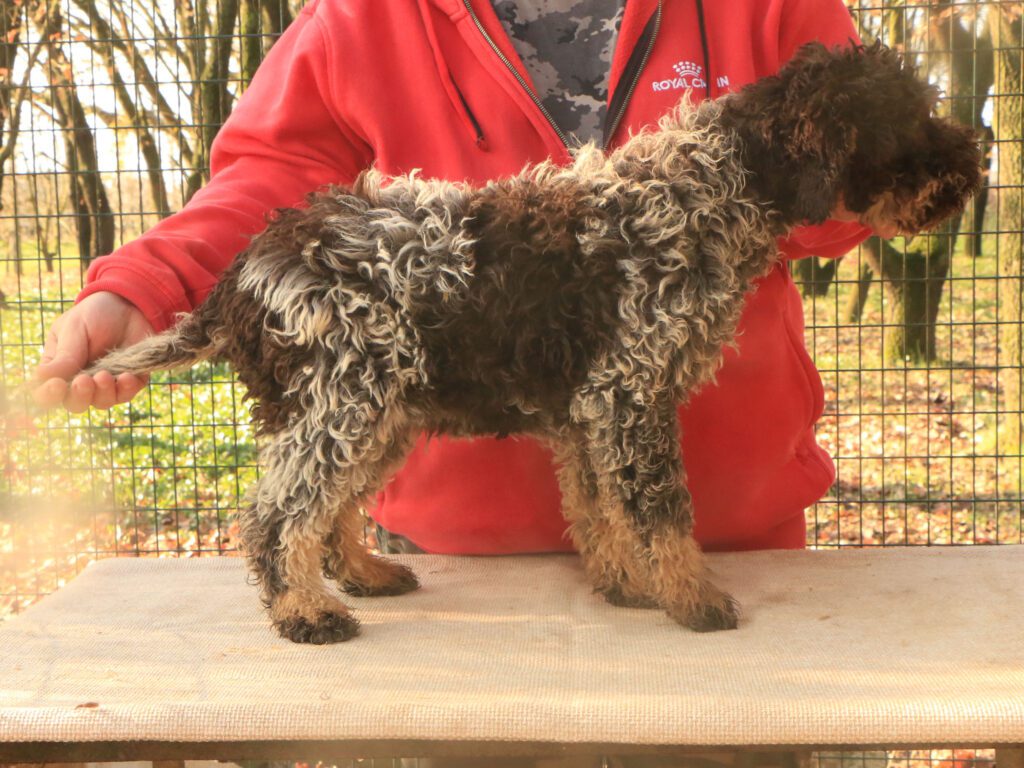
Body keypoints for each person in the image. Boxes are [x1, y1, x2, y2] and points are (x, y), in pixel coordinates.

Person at [33, 0, 873, 558]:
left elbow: (846, 208)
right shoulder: (364, 14)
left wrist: (844, 177)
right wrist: (144, 285)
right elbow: (273, 177)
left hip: (719, 539)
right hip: (455, 563)